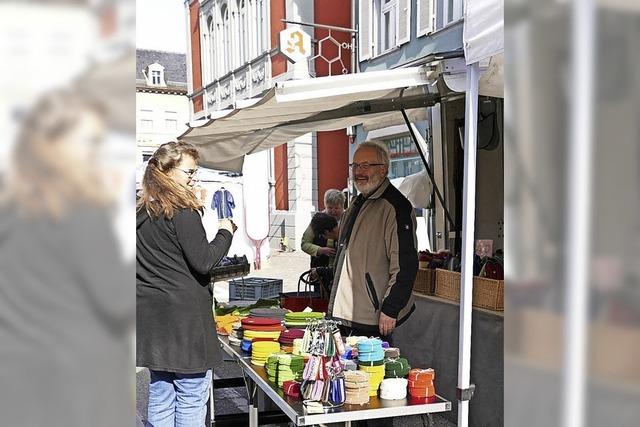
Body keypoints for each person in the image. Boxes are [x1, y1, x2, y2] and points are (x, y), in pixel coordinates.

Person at [0, 89, 134, 427]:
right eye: (89, 142)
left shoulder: (12, 200)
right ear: (53, 143)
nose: (96, 153)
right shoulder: (77, 206)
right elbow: (117, 300)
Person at [136, 141, 237, 426]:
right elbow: (204, 261)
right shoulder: (181, 210)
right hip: (185, 322)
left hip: (152, 319)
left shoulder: (141, 211)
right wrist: (225, 232)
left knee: (161, 393)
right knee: (191, 394)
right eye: (189, 172)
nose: (194, 178)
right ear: (167, 171)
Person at [328, 141, 418, 343]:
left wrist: (391, 308)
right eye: (355, 165)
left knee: (372, 371)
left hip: (374, 317)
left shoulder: (396, 207)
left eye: (366, 165)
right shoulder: (357, 201)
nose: (359, 171)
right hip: (351, 314)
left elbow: (406, 265)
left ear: (384, 169)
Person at [301, 189, 345, 267]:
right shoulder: (318, 221)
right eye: (330, 208)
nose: (333, 211)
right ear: (325, 206)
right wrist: (320, 250)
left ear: (342, 206)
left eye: (336, 208)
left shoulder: (347, 219)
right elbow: (304, 244)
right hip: (319, 266)